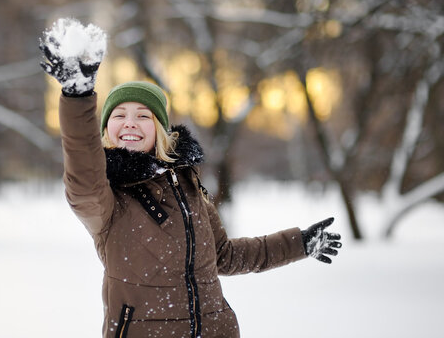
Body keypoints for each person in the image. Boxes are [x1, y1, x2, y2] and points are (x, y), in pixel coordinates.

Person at [39, 18, 342, 338]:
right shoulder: (106, 199)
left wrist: (299, 243)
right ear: (105, 132)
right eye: (119, 115)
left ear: (160, 131)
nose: (130, 123)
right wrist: (77, 97)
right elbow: (83, 173)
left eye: (143, 116)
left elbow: (225, 255)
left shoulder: (186, 185)